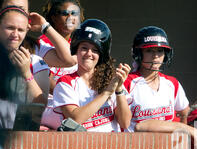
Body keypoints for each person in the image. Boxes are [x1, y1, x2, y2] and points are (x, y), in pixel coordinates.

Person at [52, 19, 131, 132]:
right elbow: (75, 119)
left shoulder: (110, 80)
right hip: (82, 147)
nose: (89, 54)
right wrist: (107, 93)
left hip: (111, 147)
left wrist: (118, 90)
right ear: (76, 50)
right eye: (84, 48)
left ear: (100, 55)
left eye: (95, 50)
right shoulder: (65, 82)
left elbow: (125, 123)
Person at [124, 26, 194, 134]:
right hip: (134, 147)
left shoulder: (172, 83)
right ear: (138, 54)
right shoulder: (127, 82)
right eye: (149, 50)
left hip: (166, 148)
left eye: (160, 50)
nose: (156, 56)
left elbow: (186, 113)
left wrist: (181, 141)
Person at [36, 0, 83, 130]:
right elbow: (48, 84)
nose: (70, 18)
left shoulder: (82, 45)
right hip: (49, 109)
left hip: (74, 106)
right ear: (54, 17)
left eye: (74, 13)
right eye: (64, 13)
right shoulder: (42, 44)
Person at [0, 5, 49, 120]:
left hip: (22, 134)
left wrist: (26, 73)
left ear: (27, 31)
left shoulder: (36, 62)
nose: (15, 34)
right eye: (10, 28)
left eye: (20, 30)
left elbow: (41, 107)